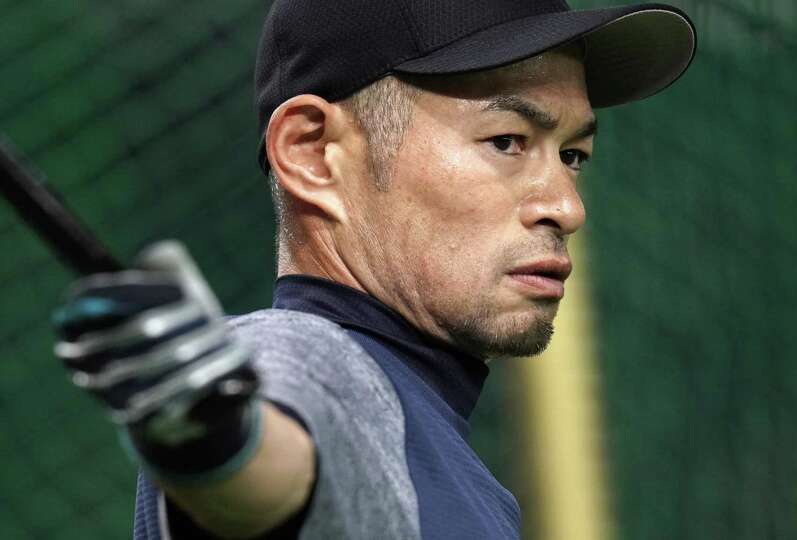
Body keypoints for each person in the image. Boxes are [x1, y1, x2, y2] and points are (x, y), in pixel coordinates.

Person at [51, 1, 696, 538]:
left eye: (574, 154)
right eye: (506, 141)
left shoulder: (462, 474)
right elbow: (273, 459)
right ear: (311, 154)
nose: (566, 206)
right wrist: (214, 435)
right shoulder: (313, 363)